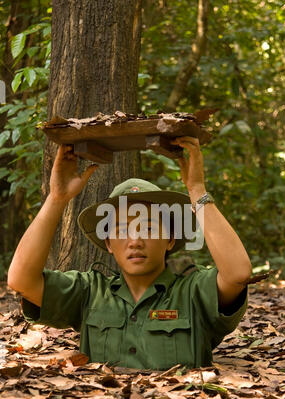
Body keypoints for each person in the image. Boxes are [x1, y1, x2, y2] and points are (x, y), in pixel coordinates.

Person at [7, 136, 252, 370]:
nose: (135, 240)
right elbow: (21, 280)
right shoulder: (90, 292)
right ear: (109, 244)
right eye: (122, 230)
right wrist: (57, 198)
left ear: (169, 240)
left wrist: (197, 191)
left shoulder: (192, 292)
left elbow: (238, 274)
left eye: (147, 228)